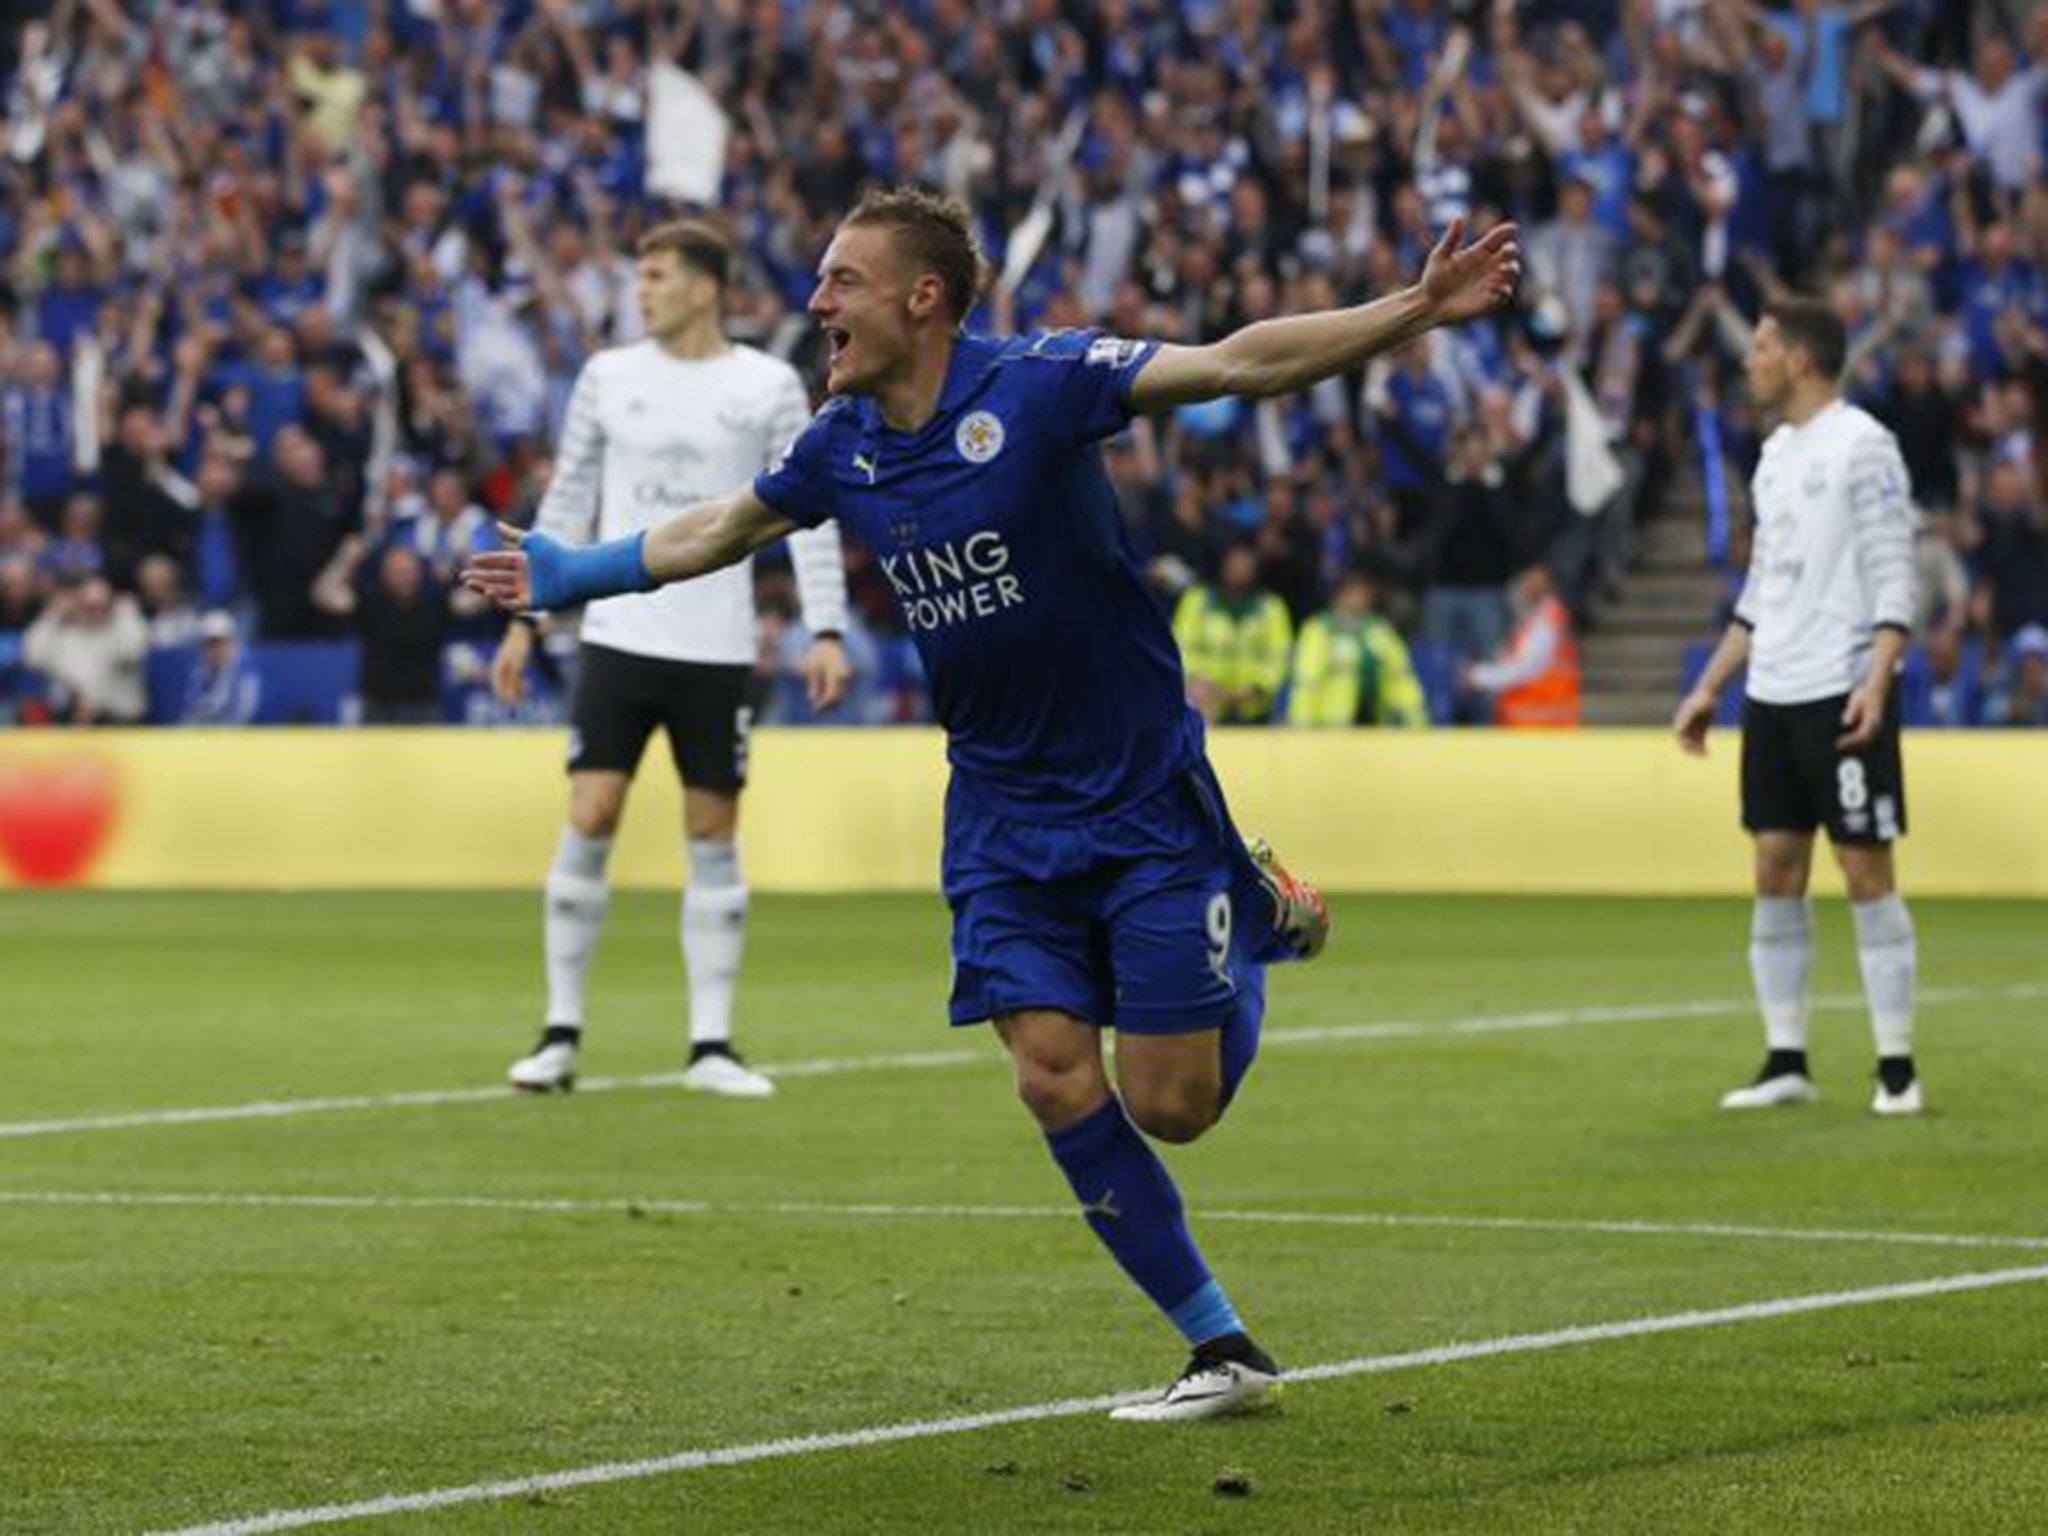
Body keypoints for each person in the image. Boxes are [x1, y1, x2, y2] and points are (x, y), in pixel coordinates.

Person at [468, 186, 1519, 1419]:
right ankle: (1219, 1348)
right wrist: (575, 569)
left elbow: (1240, 362)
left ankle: (1252, 918)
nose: (816, 306)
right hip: (1001, 818)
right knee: (1051, 1075)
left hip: (1138, 794)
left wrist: (1410, 309)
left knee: (1170, 1108)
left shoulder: (1041, 384)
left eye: (841, 283)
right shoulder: (840, 443)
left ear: (922, 298)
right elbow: (720, 527)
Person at [490, 220, 853, 1100]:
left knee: (712, 832)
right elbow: (569, 495)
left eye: (656, 276)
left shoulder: (765, 384)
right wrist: (526, 621)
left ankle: (711, 1045)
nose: (641, 290)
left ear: (705, 286)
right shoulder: (608, 377)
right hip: (617, 635)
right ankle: (560, 1033)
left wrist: (827, 626)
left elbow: (808, 504)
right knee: (592, 809)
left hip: (717, 644)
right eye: (640, 275)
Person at [1673, 299, 1922, 1116]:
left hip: (1841, 686)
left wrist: (1879, 677)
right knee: (1776, 870)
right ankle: (1787, 1058)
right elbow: (1761, 588)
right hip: (1772, 691)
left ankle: (1896, 1069)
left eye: (1765, 346)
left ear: (1803, 361)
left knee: (1864, 870)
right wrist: (1712, 684)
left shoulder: (1865, 445)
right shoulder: (1774, 454)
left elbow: (1895, 572)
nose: (1751, 359)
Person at [1287, 563, 1430, 727]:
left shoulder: (1379, 630)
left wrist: (1416, 721)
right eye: (1358, 591)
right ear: (1341, 593)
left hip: (1375, 726)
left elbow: (1400, 676)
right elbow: (1307, 682)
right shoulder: (1319, 629)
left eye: (1366, 592)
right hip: (1328, 728)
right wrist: (1300, 726)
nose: (1364, 597)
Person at [1171, 543, 1294, 725]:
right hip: (1205, 703)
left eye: (1245, 568)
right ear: (1223, 567)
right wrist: (1198, 678)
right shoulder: (1197, 601)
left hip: (1254, 707)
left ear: (1255, 572)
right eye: (1234, 567)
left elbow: (1280, 655)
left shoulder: (1271, 607)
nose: (1239, 572)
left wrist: (1258, 687)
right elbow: (1181, 646)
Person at [1461, 563, 1581, 727]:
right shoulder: (1545, 618)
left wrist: (1476, 675)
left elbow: (1522, 670)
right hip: (1543, 718)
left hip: (1535, 720)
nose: (1526, 585)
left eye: (1532, 581)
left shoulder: (1544, 624)